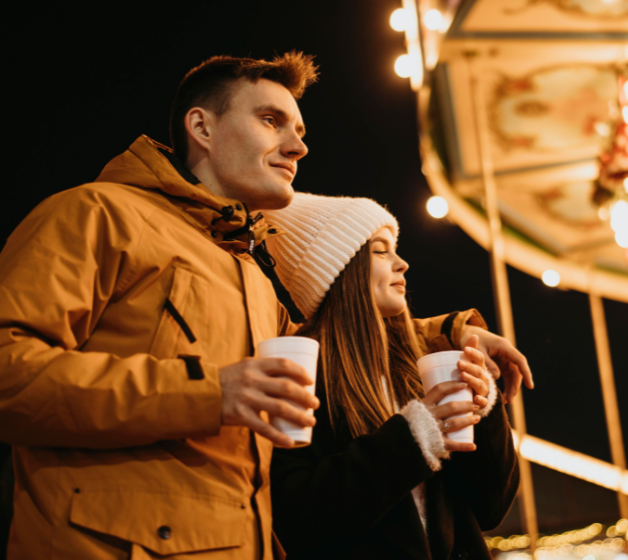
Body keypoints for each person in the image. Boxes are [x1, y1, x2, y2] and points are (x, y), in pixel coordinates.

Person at [0, 54, 528, 559]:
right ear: (201, 129)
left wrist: (451, 333)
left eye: (299, 131)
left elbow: (336, 331)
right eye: (271, 120)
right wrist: (210, 393)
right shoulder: (95, 213)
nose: (296, 147)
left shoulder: (251, 276)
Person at [264, 193, 520, 560]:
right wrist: (413, 437)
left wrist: (484, 409)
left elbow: (491, 508)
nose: (402, 264)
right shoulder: (301, 369)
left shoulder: (417, 366)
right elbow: (299, 518)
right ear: (339, 270)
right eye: (381, 250)